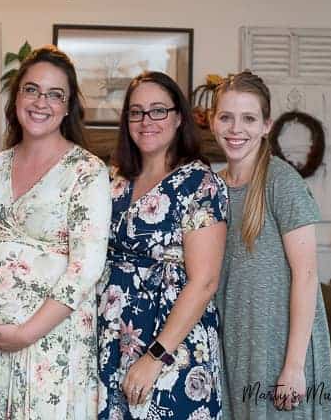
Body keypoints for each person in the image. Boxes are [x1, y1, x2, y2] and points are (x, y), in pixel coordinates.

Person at [0, 45, 111, 419]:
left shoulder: (87, 171)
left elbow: (86, 267)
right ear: (16, 98)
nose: (41, 102)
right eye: (32, 89)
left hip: (50, 338)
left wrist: (27, 332)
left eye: (55, 94)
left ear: (68, 106)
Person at [97, 71, 228, 419]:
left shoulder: (200, 183)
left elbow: (205, 282)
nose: (146, 121)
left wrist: (156, 356)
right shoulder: (114, 180)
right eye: (136, 112)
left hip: (171, 341)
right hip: (112, 331)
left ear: (179, 117)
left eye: (158, 110)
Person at [211, 71, 331, 418]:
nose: (237, 129)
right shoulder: (211, 188)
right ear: (212, 121)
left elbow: (307, 275)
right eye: (227, 117)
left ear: (267, 125)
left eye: (249, 118)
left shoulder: (282, 182)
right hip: (235, 343)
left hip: (280, 346)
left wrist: (294, 367)